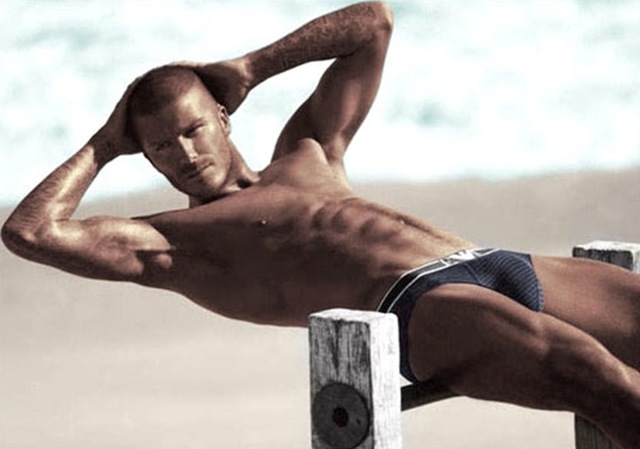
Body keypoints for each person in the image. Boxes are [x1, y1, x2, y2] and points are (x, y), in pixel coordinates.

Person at [2, 2, 639, 446]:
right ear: (144, 155)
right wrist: (104, 144)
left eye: (193, 129)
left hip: (487, 261)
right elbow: (31, 231)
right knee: (602, 379)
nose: (186, 154)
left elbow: (373, 23)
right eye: (161, 146)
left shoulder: (306, 150)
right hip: (417, 305)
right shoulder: (177, 243)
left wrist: (251, 66)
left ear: (222, 116)